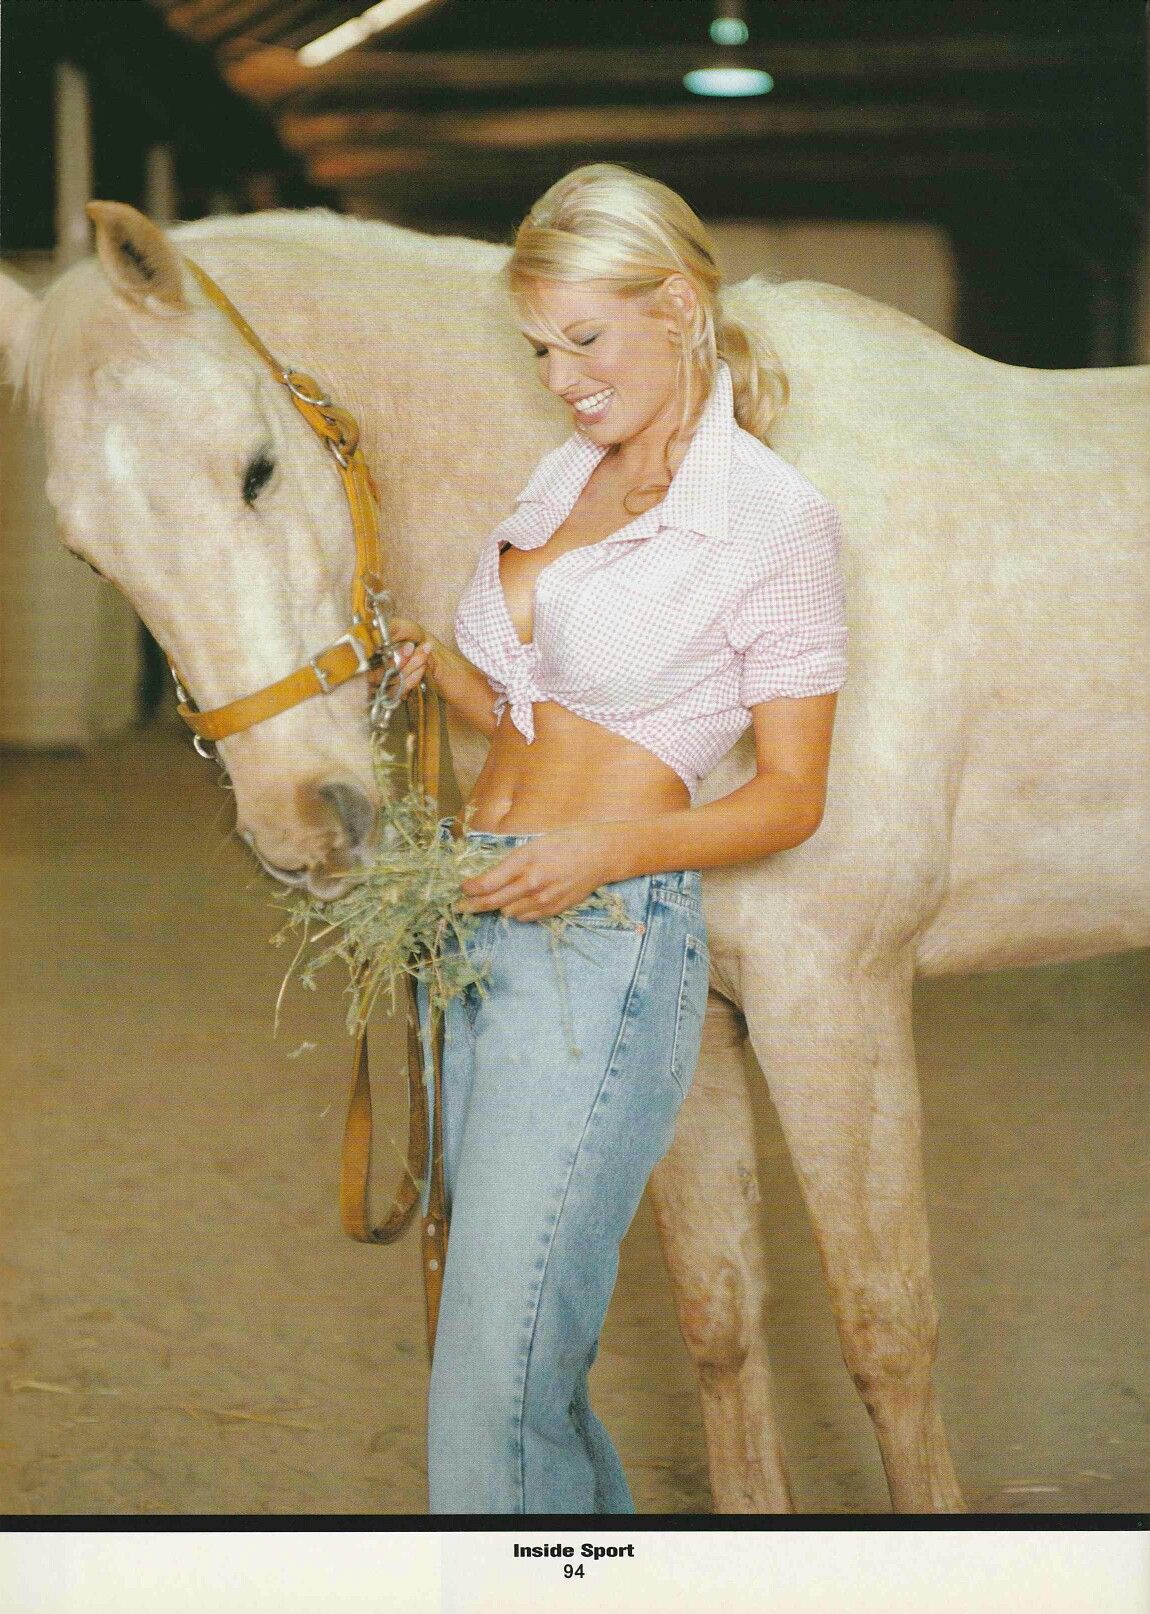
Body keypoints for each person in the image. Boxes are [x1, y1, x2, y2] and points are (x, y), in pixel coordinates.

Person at [386, 162, 848, 1514]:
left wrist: (598, 852)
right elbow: (530, 718)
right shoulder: (560, 476)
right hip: (469, 911)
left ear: (679, 306)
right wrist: (435, 667)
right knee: (505, 1350)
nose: (560, 379)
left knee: (497, 1365)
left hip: (597, 940)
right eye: (540, 348)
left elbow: (790, 796)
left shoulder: (770, 520)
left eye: (584, 339)